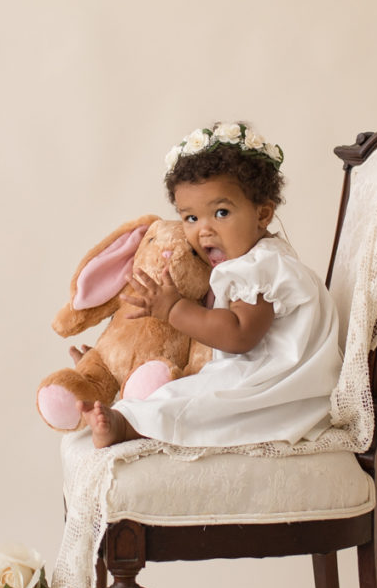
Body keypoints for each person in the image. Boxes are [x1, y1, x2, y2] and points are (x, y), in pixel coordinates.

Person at [77, 122, 342, 449]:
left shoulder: (260, 268)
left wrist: (173, 308)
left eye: (220, 212)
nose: (203, 231)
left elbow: (239, 335)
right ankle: (120, 395)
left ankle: (127, 424)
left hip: (275, 392)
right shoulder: (261, 259)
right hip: (275, 381)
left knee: (194, 402)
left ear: (263, 214)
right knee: (183, 391)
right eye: (190, 218)